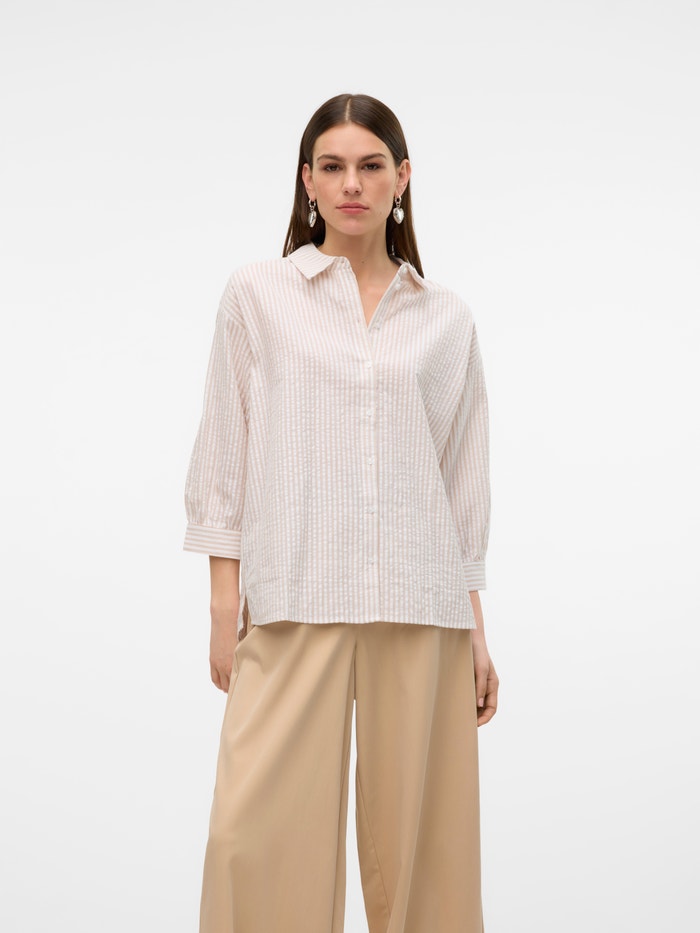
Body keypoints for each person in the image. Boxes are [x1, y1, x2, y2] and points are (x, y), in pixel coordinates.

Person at [183, 92, 499, 933]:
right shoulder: (257, 294)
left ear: (402, 178)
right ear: (308, 181)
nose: (351, 183)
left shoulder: (445, 317)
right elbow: (224, 451)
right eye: (332, 166)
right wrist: (223, 603)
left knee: (427, 858)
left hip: (421, 605)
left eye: (370, 165)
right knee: (252, 839)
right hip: (294, 597)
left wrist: (475, 627)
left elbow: (461, 482)